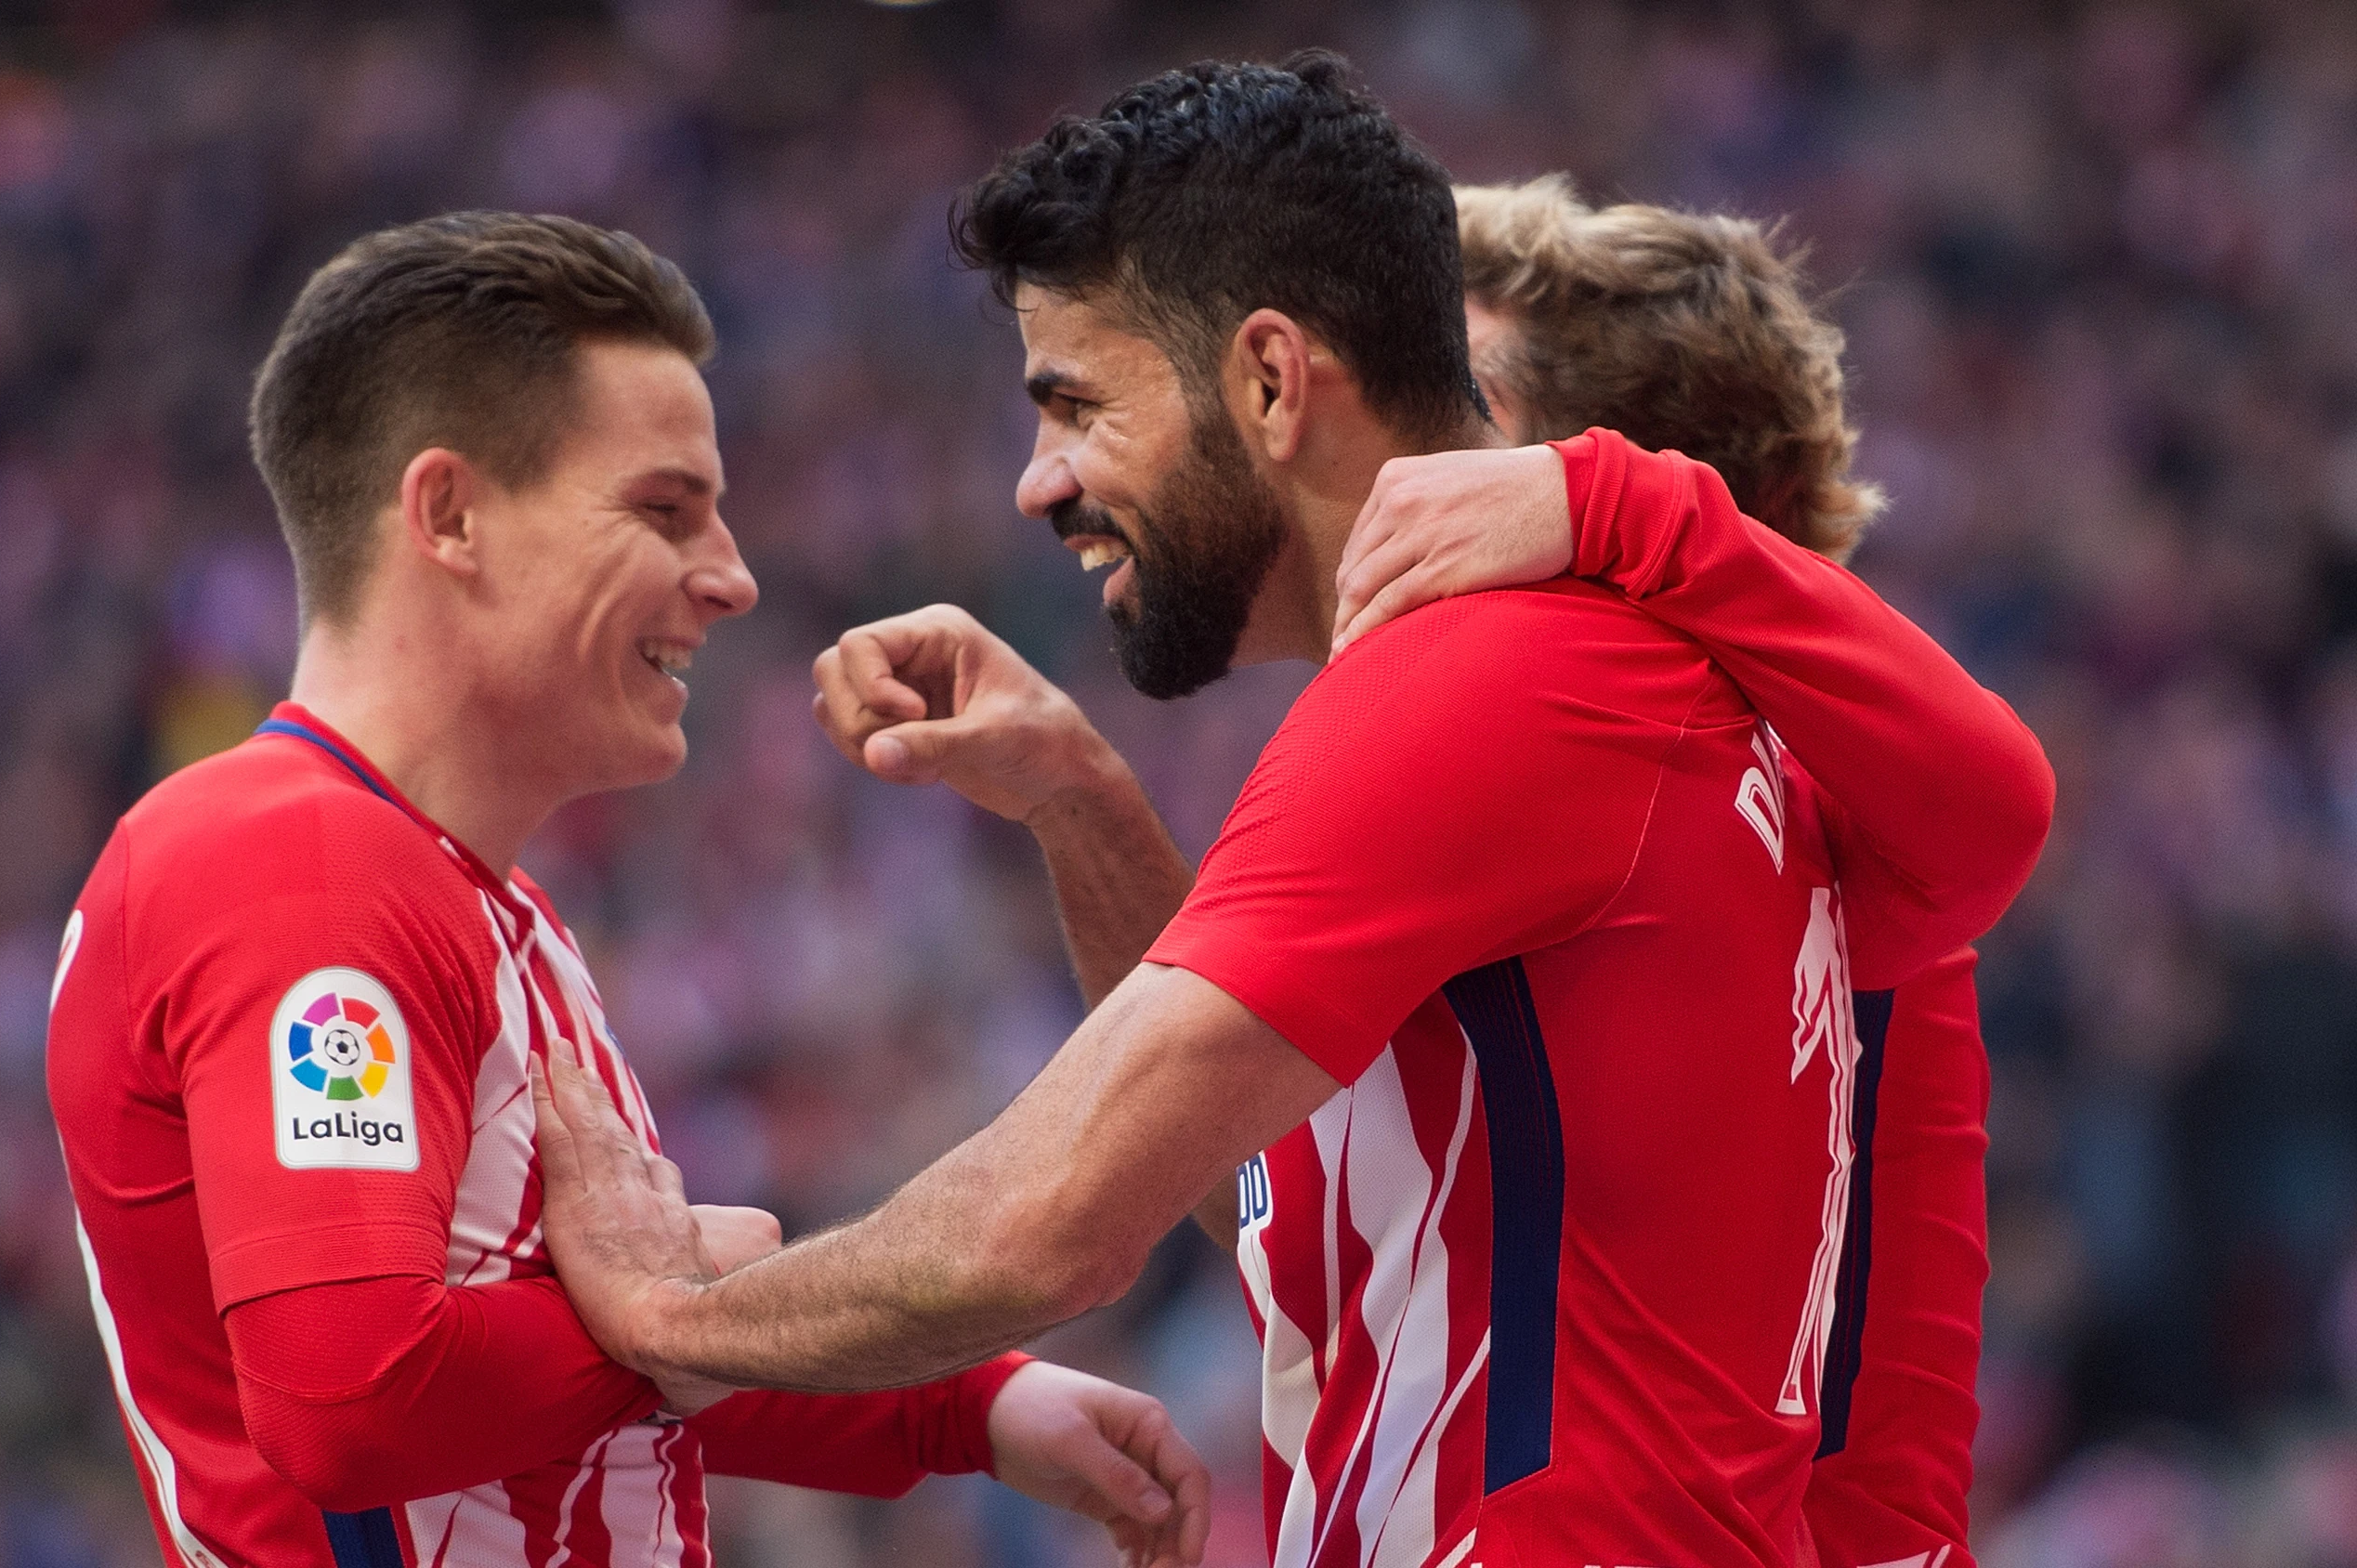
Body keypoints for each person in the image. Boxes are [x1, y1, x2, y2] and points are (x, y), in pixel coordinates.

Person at [530, 53, 2050, 1568]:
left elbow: (1052, 1219)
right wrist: (1082, 800)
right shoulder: (1614, 728)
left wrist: (674, 1315)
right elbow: (1279, 1205)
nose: (1035, 483)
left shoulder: (1512, 684)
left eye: (1075, 403)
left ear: (1273, 381)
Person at [43, 211, 1209, 1568]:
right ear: (450, 514)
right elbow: (350, 1397)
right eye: (666, 511)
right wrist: (671, 1308)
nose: (732, 577)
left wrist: (968, 1408)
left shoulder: (468, 893)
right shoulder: (291, 863)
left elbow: (568, 1382)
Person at [1331, 176, 1984, 1568]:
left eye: (1471, 405)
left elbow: (2002, 797)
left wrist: (1617, 503)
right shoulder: (1545, 799)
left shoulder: (1785, 801)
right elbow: (1263, 1190)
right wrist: (1079, 801)